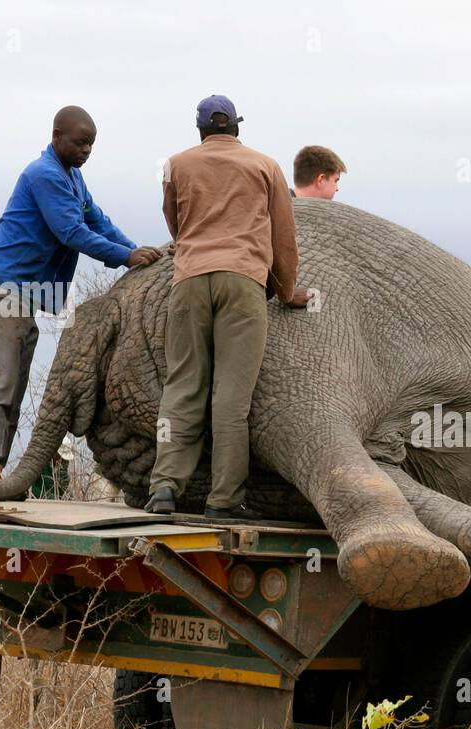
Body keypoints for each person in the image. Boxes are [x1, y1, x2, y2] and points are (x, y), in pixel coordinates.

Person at [0, 105, 162, 488]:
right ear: (57, 135)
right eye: (80, 142)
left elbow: (98, 221)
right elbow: (71, 231)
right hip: (0, 284)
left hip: (22, 291)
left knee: (15, 382)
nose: (86, 150)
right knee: (0, 378)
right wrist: (125, 257)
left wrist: (136, 252)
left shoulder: (72, 178)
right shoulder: (44, 175)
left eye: (92, 144)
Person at [145, 95, 299, 519]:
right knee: (231, 398)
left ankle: (163, 489)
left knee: (181, 387)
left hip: (190, 279)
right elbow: (283, 236)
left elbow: (174, 220)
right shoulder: (265, 166)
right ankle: (224, 500)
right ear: (236, 128)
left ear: (200, 131)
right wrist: (287, 290)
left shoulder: (176, 165)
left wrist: (195, 246)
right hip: (243, 281)